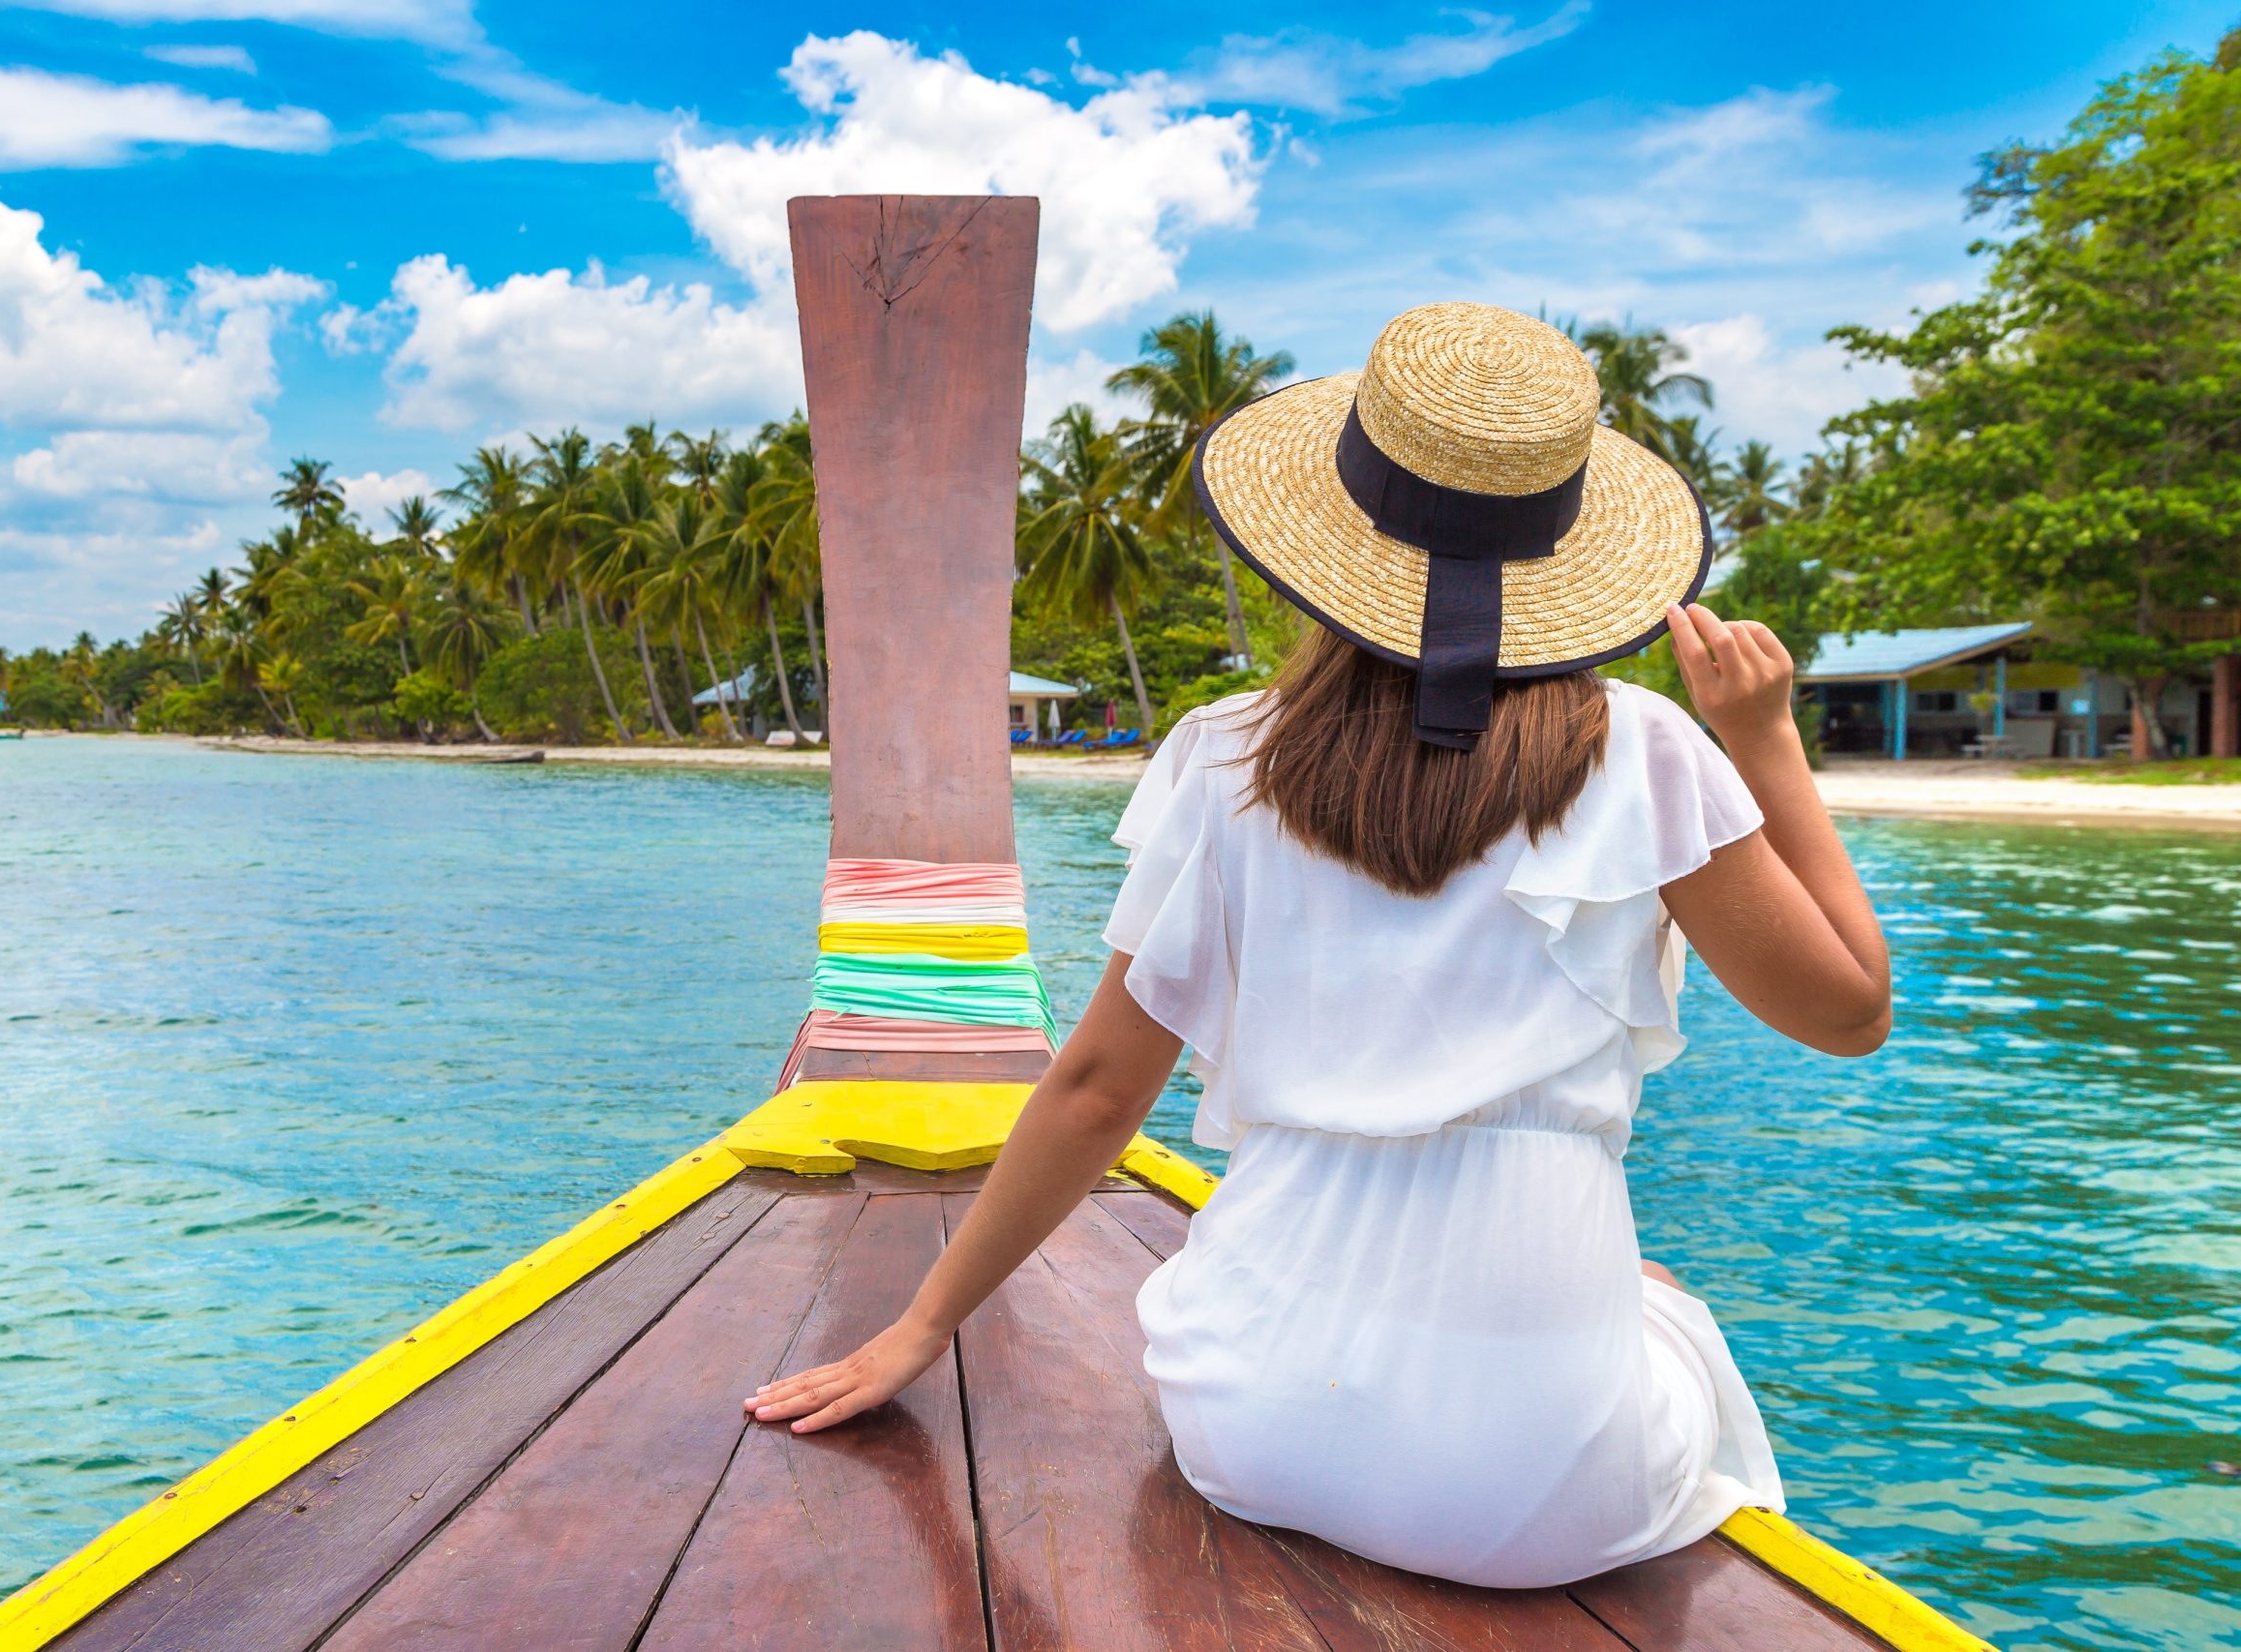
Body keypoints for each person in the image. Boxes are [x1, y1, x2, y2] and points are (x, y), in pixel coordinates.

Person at [745, 303, 1890, 1589]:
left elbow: (1096, 1090)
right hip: (1546, 1498)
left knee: (1628, 1292)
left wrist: (921, 1327)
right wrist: (1768, 742)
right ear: (1564, 555)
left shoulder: (1227, 757)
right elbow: (1850, 1012)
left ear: (1336, 541)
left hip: (1255, 1429)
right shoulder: (1650, 755)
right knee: (1666, 1309)